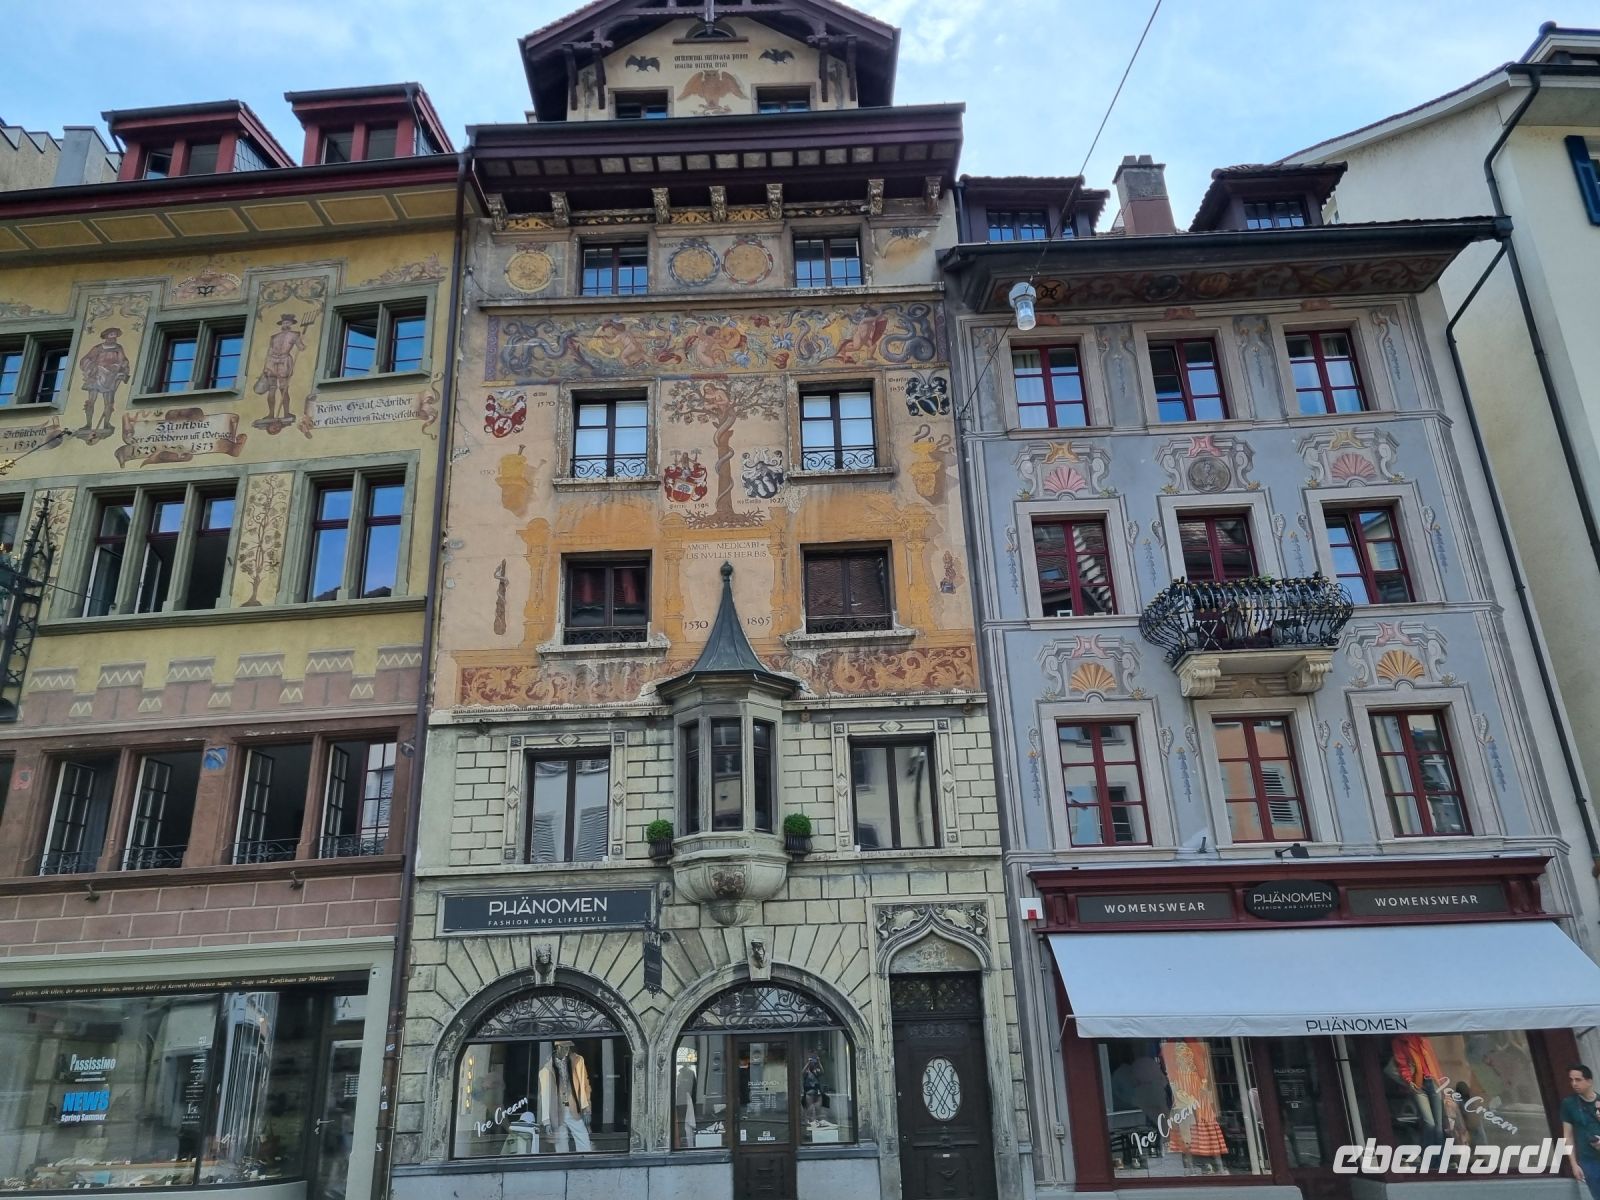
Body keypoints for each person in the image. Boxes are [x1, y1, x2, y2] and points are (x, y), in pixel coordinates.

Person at [1561, 1064, 1600, 1197]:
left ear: (1589, 1081)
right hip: (1588, 1160)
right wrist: (1574, 1164)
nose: (1574, 1084)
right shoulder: (1569, 1104)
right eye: (1571, 1080)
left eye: (1578, 1080)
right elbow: (1567, 1136)